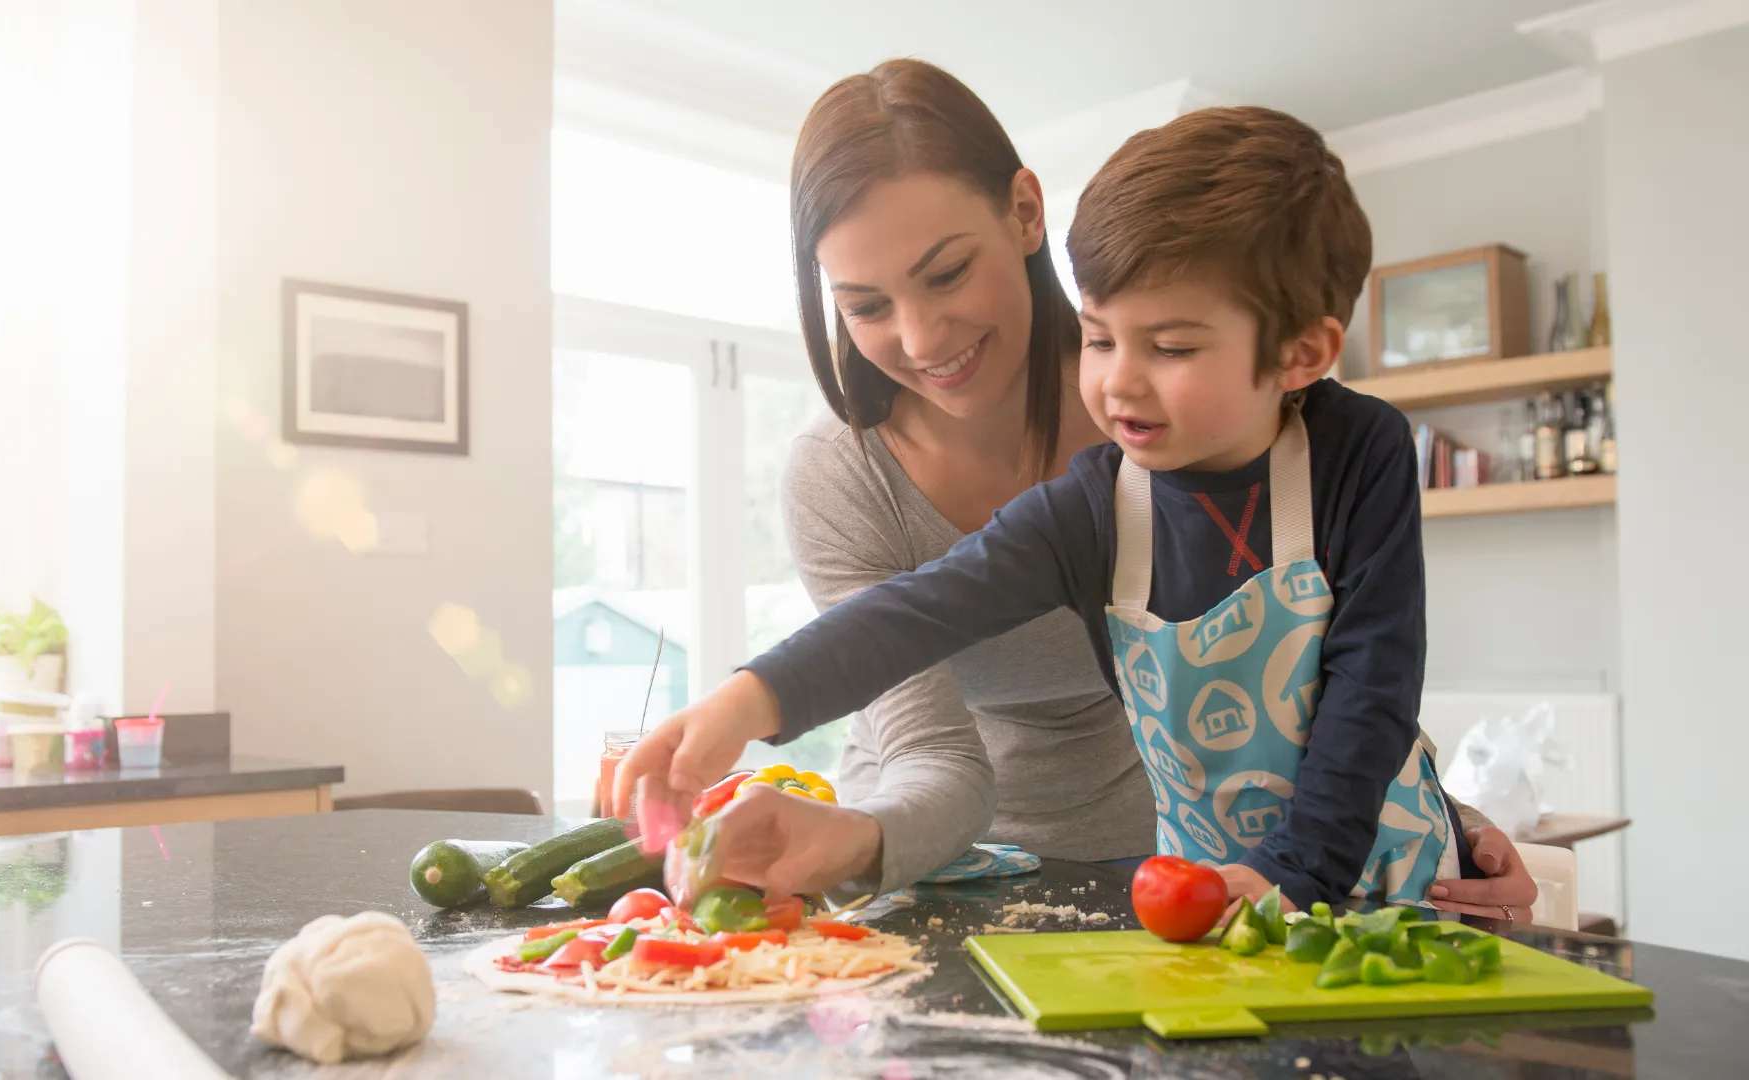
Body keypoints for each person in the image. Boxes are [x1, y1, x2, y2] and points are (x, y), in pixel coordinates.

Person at [614, 61, 1536, 917]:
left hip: (1314, 877)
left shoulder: (1352, 448)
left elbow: (1367, 686)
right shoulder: (1095, 499)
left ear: (1301, 354)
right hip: (1149, 888)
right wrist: (741, 702)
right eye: (1100, 338)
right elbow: (914, 613)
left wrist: (1389, 834)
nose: (1120, 385)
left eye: (1168, 347)